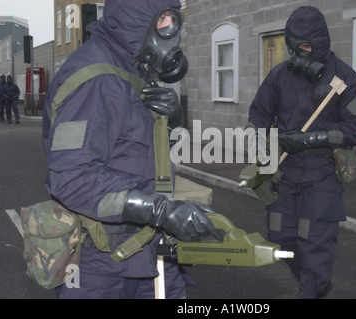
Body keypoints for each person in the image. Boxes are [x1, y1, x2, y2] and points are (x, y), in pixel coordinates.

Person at [42, 0, 222, 299]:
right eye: (162, 20)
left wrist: (169, 120)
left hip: (145, 251)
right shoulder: (97, 77)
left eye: (174, 20)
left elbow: (134, 153)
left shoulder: (129, 69)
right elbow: (72, 178)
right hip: (103, 264)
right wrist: (161, 211)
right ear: (134, 17)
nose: (172, 34)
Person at [246, 6, 356, 299]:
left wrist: (313, 139)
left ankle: (312, 288)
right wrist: (263, 144)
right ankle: (316, 286)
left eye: (304, 46)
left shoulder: (344, 80)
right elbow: (258, 113)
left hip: (321, 176)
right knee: (281, 239)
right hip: (285, 175)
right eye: (293, 46)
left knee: (314, 245)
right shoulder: (279, 77)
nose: (298, 54)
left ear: (319, 43)